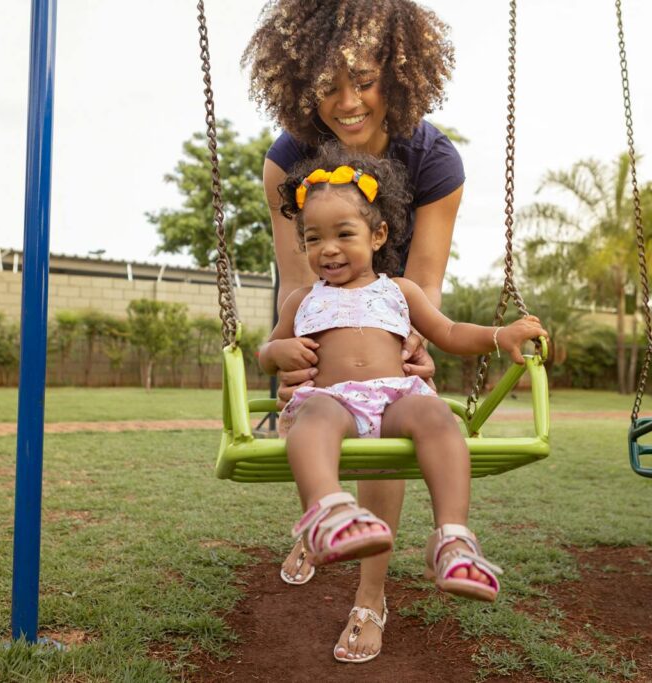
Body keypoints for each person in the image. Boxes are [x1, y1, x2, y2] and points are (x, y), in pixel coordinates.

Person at [258, 146, 548, 663]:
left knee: (437, 414)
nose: (328, 249)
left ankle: (454, 539)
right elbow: (267, 352)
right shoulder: (300, 301)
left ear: (378, 235)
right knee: (311, 418)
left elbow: (451, 331)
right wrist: (277, 351)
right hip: (332, 399)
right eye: (313, 238)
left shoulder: (401, 291)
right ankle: (328, 512)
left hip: (396, 398)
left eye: (343, 234)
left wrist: (501, 333)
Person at [243, 0, 465, 663]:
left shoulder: (434, 162)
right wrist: (293, 354)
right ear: (300, 82)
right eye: (328, 84)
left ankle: (372, 595)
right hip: (321, 293)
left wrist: (413, 348)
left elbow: (422, 286)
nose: (347, 102)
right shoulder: (288, 161)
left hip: (393, 289)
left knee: (390, 408)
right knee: (315, 403)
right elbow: (297, 280)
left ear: (395, 75)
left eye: (364, 79)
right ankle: (326, 511)